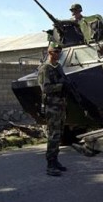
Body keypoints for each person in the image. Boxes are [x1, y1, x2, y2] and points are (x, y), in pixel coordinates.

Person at [38, 42, 67, 176]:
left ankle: (55, 160)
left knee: (59, 134)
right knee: (53, 135)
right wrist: (61, 86)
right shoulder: (45, 68)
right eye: (56, 51)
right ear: (50, 52)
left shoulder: (58, 66)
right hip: (52, 106)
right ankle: (50, 164)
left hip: (61, 105)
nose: (58, 54)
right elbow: (46, 88)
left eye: (59, 51)